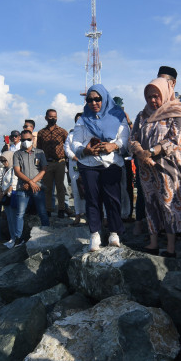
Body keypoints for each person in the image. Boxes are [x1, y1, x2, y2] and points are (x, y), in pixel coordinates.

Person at [130, 77, 181, 256]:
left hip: (169, 169)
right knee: (151, 203)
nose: (152, 101)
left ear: (165, 94)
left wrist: (151, 152)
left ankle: (170, 247)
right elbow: (133, 138)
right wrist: (140, 152)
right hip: (146, 169)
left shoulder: (176, 113)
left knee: (169, 205)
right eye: (149, 97)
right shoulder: (142, 115)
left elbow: (175, 139)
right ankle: (153, 243)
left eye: (156, 96)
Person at [71, 84, 129, 252]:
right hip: (89, 163)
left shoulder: (118, 116)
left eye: (97, 99)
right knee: (92, 199)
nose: (93, 103)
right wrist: (85, 150)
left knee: (113, 199)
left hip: (111, 163)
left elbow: (125, 139)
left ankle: (114, 232)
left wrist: (114, 145)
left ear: (105, 98)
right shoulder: (83, 119)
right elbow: (75, 142)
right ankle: (94, 234)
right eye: (89, 100)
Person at [13, 129, 50, 247]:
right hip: (22, 188)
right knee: (20, 214)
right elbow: (17, 171)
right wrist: (29, 182)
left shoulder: (40, 152)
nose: (26, 142)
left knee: (42, 212)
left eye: (28, 139)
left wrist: (32, 182)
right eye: (23, 140)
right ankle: (18, 238)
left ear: (32, 139)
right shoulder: (17, 154)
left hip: (37, 187)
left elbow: (44, 169)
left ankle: (48, 233)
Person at [37, 109, 69, 218]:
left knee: (61, 187)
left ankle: (61, 209)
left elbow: (68, 145)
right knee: (48, 188)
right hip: (47, 163)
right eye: (50, 116)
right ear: (46, 117)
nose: (53, 118)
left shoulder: (62, 131)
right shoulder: (41, 132)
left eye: (55, 116)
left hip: (60, 162)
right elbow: (39, 149)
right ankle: (48, 209)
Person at [64, 112, 86, 225]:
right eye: (77, 120)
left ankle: (89, 215)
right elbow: (67, 149)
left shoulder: (89, 133)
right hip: (75, 165)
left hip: (88, 165)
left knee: (89, 191)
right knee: (76, 191)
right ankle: (78, 214)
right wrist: (75, 157)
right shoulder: (71, 135)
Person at [0, 151, 19, 248]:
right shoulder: (5, 170)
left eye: (5, 160)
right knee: (10, 219)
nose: (3, 162)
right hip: (6, 197)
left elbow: (12, 184)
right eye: (2, 160)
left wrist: (3, 193)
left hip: (11, 196)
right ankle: (12, 238)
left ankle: (17, 238)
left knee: (14, 219)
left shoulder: (14, 169)